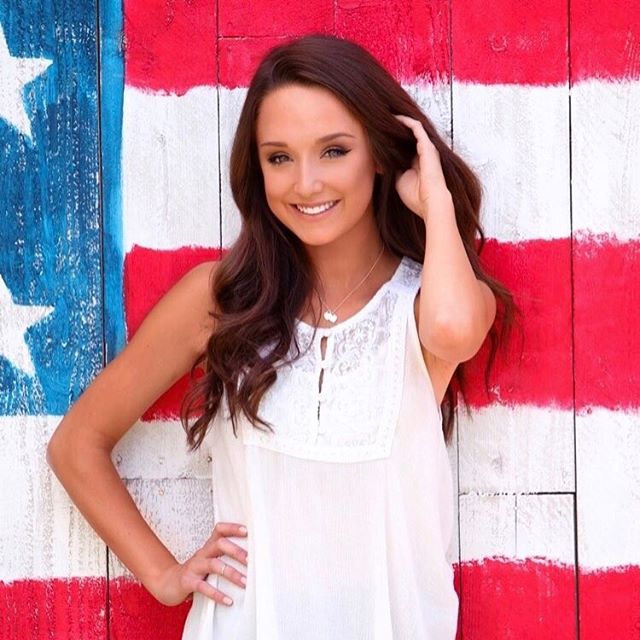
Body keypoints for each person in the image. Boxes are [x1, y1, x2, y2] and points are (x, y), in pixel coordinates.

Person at [47, 33, 516, 639]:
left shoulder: (425, 303)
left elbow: (453, 331)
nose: (306, 183)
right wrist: (164, 575)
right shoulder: (220, 299)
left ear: (379, 154)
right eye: (279, 158)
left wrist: (437, 205)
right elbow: (77, 444)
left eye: (333, 150)